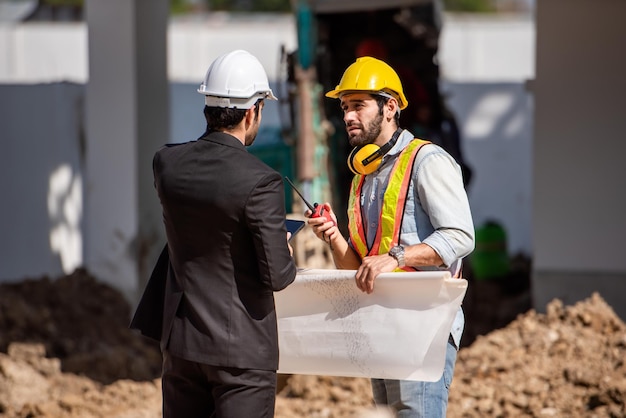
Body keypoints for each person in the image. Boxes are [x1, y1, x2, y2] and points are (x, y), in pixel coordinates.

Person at [131, 49, 298, 418]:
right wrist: (280, 244)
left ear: (208, 106)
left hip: (182, 347)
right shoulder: (261, 182)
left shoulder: (166, 164)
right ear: (253, 110)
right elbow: (278, 275)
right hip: (241, 356)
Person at [307, 56, 475, 417]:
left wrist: (397, 257)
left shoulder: (427, 160)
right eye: (344, 107)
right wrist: (334, 236)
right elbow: (360, 270)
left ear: (390, 107)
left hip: (422, 327)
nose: (348, 116)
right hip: (380, 326)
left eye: (358, 106)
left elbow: (461, 236)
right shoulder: (362, 177)